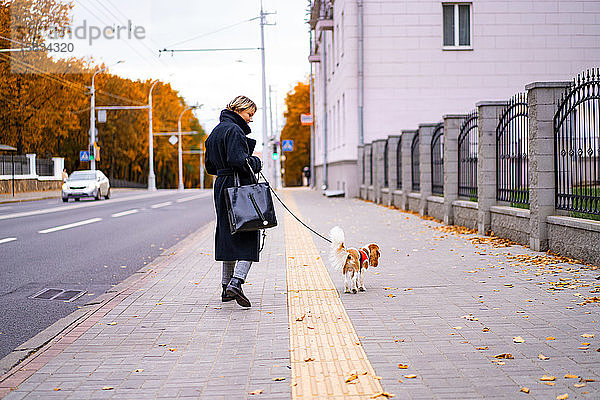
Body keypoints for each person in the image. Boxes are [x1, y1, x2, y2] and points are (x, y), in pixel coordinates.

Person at [204, 95, 262, 308]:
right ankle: (236, 282)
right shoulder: (235, 131)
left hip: (221, 186)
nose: (251, 119)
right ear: (240, 110)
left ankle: (225, 288)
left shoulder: (215, 132)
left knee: (228, 235)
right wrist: (255, 162)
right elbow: (240, 161)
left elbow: (210, 167)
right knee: (249, 233)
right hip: (238, 187)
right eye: (250, 114)